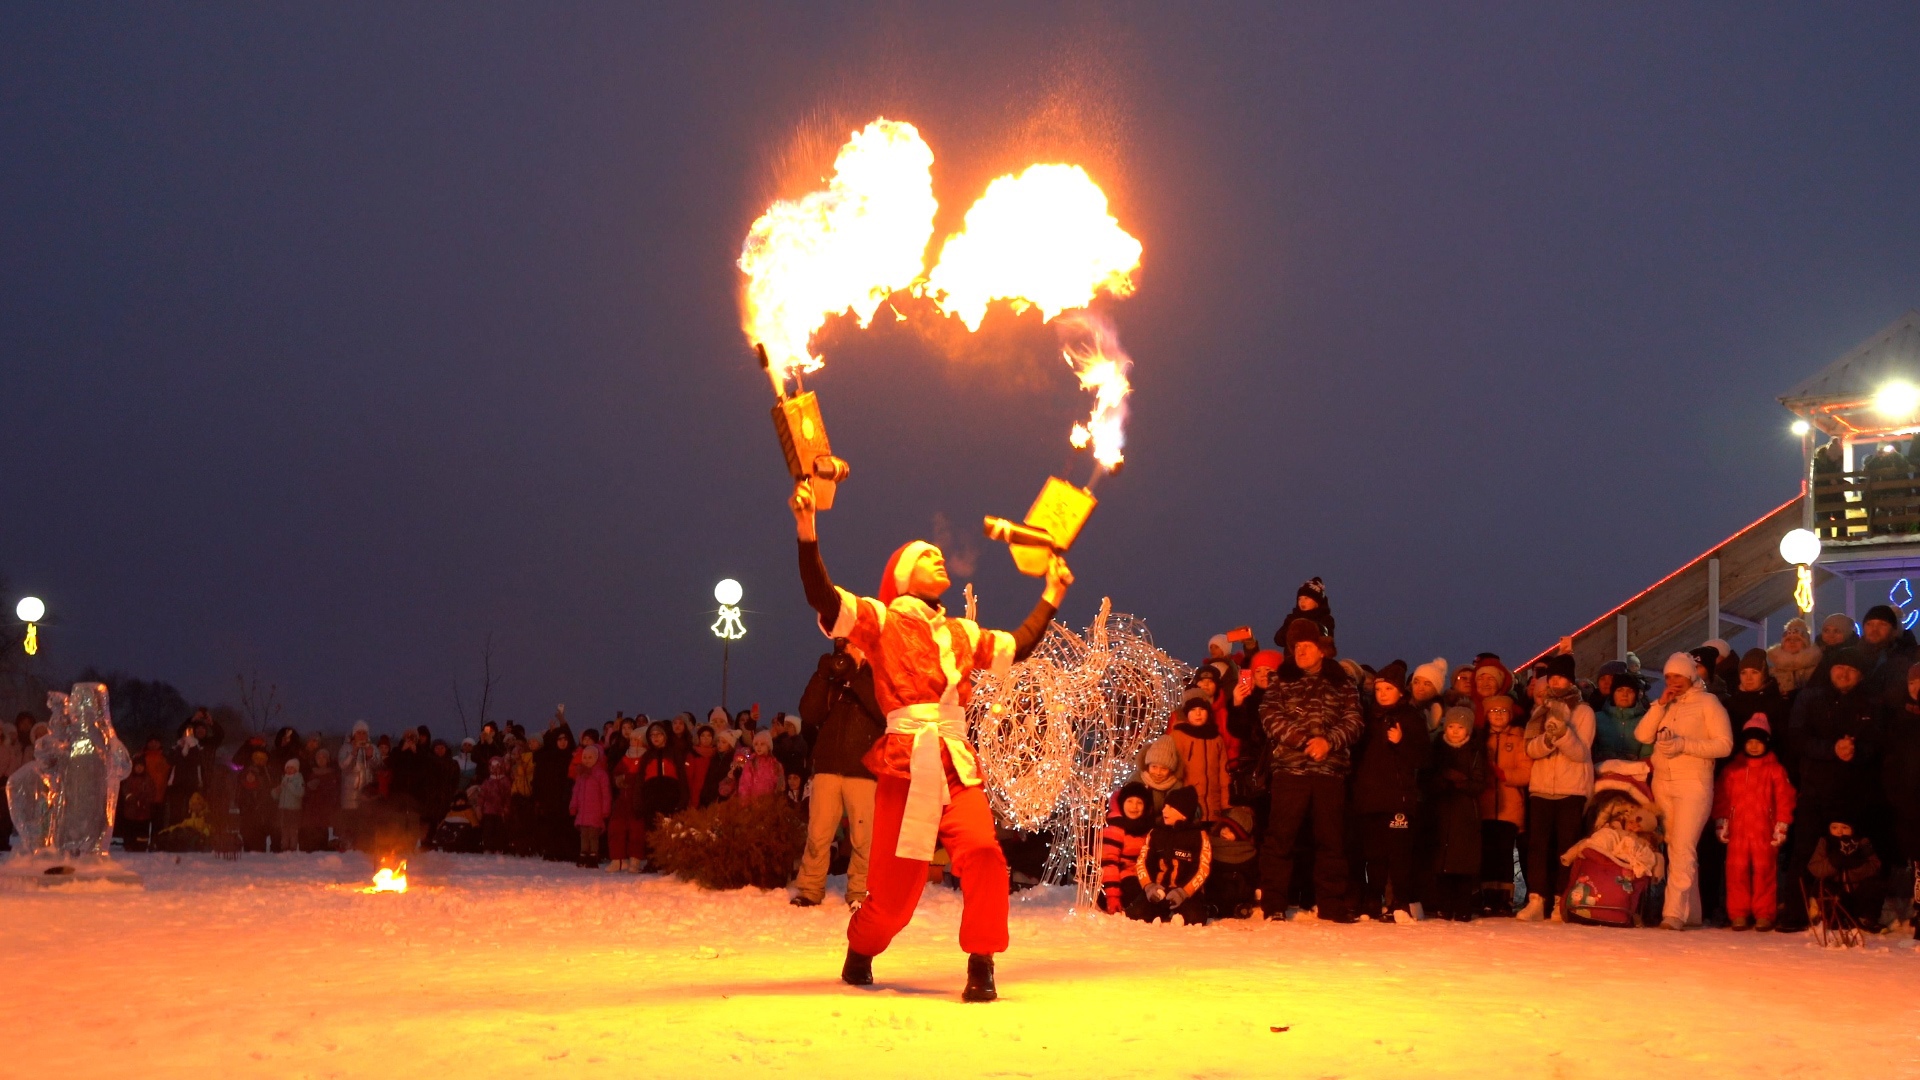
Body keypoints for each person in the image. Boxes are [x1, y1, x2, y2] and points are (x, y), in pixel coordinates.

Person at [792, 475, 1070, 1002]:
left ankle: (982, 961)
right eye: (927, 555)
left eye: (942, 554)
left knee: (986, 853)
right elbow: (823, 598)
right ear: (902, 572)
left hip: (957, 762)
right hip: (904, 762)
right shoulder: (881, 619)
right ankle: (861, 947)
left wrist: (1052, 593)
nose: (939, 558)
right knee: (895, 898)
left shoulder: (963, 632)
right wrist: (808, 530)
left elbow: (1020, 646)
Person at [1257, 619, 1364, 922]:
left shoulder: (1342, 681)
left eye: (1307, 646)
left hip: (1330, 772)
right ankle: (1274, 904)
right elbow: (1269, 715)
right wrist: (1304, 740)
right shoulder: (1282, 680)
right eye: (1296, 647)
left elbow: (1355, 720)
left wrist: (1328, 742)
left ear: (1321, 650)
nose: (1301, 651)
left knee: (1331, 841)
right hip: (1290, 771)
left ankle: (1331, 903)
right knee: (1280, 838)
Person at [1779, 647, 1882, 931]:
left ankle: (1859, 913)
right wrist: (1831, 750)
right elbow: (1797, 738)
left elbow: (1878, 744)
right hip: (1816, 788)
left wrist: (1856, 752)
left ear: (1860, 675)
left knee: (1856, 853)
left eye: (1851, 669)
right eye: (1839, 667)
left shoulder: (1869, 703)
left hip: (1854, 792)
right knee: (1805, 851)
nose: (1844, 673)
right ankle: (1796, 913)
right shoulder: (1811, 698)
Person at [1635, 652, 1734, 929]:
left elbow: (1724, 744)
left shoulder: (1708, 703)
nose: (1672, 681)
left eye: (1677, 675)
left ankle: (1673, 913)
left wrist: (1683, 745)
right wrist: (1659, 705)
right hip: (1664, 783)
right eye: (1668, 676)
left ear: (1690, 675)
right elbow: (1642, 736)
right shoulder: (1666, 705)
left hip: (1694, 783)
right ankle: (1691, 912)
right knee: (1673, 846)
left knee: (1684, 846)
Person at [794, 638, 884, 909]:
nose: (847, 651)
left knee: (863, 837)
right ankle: (809, 889)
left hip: (863, 769)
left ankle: (860, 892)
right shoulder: (834, 678)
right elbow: (809, 714)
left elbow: (884, 711)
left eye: (853, 645)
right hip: (827, 766)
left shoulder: (880, 672)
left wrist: (855, 675)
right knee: (818, 833)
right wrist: (822, 675)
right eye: (844, 647)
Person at [1349, 660, 1428, 923]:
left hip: (1398, 797)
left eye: (1388, 688)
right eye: (1379, 688)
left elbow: (1424, 758)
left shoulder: (1411, 718)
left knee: (1399, 854)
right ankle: (1373, 899)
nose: (1382, 693)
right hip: (1370, 798)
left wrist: (1401, 743)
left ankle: (1400, 901)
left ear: (1400, 692)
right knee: (1374, 853)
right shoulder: (1367, 717)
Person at [1518, 655, 1595, 921]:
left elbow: (1580, 753)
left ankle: (1563, 900)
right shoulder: (1540, 711)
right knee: (1537, 846)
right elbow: (1530, 748)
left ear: (1571, 680)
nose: (1556, 682)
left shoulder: (1583, 712)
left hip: (1571, 788)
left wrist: (1562, 733)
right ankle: (1537, 898)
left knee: (1566, 846)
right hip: (1540, 788)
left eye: (1561, 677)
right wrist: (1549, 740)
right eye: (1552, 678)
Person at [1711, 718, 1795, 931]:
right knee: (1736, 872)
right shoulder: (1732, 770)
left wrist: (1782, 824)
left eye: (1758, 741)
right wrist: (1722, 821)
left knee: (1764, 871)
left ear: (1766, 743)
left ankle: (1764, 913)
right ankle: (1738, 913)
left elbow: (1785, 798)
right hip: (1738, 831)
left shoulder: (1775, 770)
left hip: (1764, 832)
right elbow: (1722, 796)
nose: (1754, 746)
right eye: (1750, 742)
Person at [1425, 706, 1487, 921]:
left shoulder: (1475, 751)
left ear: (1468, 730)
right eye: (1450, 726)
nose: (1454, 731)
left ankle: (1463, 907)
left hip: (1465, 812)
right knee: (1441, 861)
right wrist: (1443, 780)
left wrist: (1461, 781)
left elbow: (1479, 784)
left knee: (1463, 862)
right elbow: (1427, 779)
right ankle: (1443, 905)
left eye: (1460, 727)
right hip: (1441, 809)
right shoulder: (1437, 748)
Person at [1126, 787, 1212, 925]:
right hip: (1158, 890)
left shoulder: (1199, 836)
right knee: (1135, 914)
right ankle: (1161, 909)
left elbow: (1203, 869)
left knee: (1196, 920)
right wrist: (1149, 886)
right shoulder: (1155, 833)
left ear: (1184, 813)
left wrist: (1183, 892)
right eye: (1165, 806)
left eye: (1170, 807)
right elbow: (1143, 861)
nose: (1164, 810)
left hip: (1185, 892)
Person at [1478, 694, 1530, 916]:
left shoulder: (1518, 738)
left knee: (1505, 855)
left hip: (1510, 807)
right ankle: (1487, 898)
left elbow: (1526, 772)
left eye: (1502, 711)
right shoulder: (1481, 740)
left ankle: (1504, 899)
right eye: (1493, 712)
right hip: (1486, 806)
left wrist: (1503, 774)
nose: (1498, 716)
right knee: (1487, 854)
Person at [1169, 690, 1231, 823]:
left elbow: (1224, 774)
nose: (1198, 713)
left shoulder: (1215, 737)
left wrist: (1226, 804)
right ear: (1186, 713)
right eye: (1193, 710)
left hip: (1213, 802)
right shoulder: (1178, 736)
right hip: (1188, 803)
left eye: (1202, 709)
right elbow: (1173, 771)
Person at [337, 721, 378, 851]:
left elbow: (380, 767)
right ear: (354, 734)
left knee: (366, 825)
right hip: (349, 794)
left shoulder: (373, 748)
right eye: (358, 733)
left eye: (364, 733)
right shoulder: (346, 748)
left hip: (368, 795)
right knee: (350, 825)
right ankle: (348, 850)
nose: (361, 736)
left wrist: (371, 756)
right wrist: (353, 753)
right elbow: (343, 766)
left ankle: (364, 848)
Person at [569, 742, 611, 868]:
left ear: (596, 758)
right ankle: (583, 854)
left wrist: (605, 809)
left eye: (590, 757)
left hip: (595, 812)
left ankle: (593, 855)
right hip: (583, 812)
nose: (587, 760)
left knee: (593, 835)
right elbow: (575, 792)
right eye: (585, 757)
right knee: (584, 835)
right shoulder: (581, 775)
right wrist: (573, 806)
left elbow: (606, 793)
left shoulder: (600, 774)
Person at [1767, 617, 1822, 699]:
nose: (1792, 642)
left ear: (1805, 644)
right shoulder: (1771, 667)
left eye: (1797, 639)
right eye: (1788, 639)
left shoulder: (1817, 668)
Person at [272, 758, 305, 854]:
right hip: (283, 809)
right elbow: (275, 796)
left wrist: (289, 786)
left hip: (294, 810)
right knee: (284, 830)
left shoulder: (299, 779)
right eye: (288, 768)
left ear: (296, 769)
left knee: (293, 830)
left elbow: (300, 793)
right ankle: (285, 847)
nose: (289, 770)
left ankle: (293, 848)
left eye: (292, 768)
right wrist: (276, 791)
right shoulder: (284, 778)